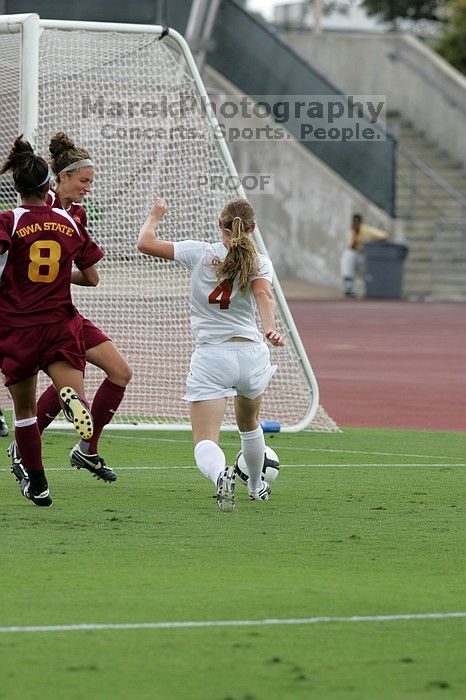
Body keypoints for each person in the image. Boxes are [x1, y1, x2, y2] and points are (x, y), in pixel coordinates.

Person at [137, 195, 284, 511]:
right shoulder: (260, 261)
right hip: (251, 354)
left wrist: (156, 214)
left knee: (205, 439)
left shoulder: (199, 253)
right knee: (250, 424)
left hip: (212, 357)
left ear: (220, 226)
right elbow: (264, 295)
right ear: (253, 228)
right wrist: (270, 327)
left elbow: (145, 244)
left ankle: (220, 475)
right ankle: (257, 486)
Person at [8, 132, 132, 483]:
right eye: (83, 180)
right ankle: (22, 448)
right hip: (31, 318)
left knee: (120, 372)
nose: (88, 187)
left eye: (91, 181)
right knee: (59, 386)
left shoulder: (76, 214)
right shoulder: (35, 205)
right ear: (61, 177)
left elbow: (90, 277)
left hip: (62, 312)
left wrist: (61, 275)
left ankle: (86, 450)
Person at [0, 136, 101, 506]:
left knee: (24, 413)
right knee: (69, 388)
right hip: (59, 321)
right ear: (49, 186)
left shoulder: (8, 222)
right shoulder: (69, 222)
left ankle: (39, 484)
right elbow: (91, 274)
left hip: (18, 326)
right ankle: (71, 397)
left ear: (18, 186)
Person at [340, 213, 389, 298]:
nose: (355, 224)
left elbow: (384, 235)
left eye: (357, 222)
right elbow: (351, 247)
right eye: (354, 222)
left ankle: (373, 289)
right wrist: (355, 235)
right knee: (347, 256)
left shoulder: (366, 230)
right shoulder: (351, 232)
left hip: (365, 256)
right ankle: (349, 289)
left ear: (361, 222)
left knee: (368, 270)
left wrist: (371, 241)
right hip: (355, 255)